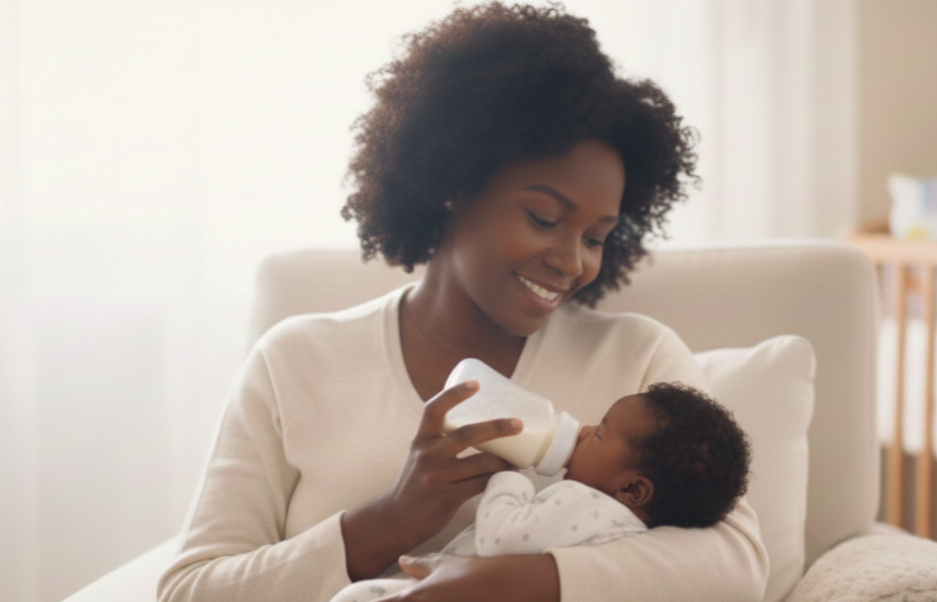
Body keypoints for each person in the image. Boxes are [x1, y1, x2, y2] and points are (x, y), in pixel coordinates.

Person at [158, 3, 768, 602]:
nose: (572, 260)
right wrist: (389, 520)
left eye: (595, 238)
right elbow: (189, 590)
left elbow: (737, 563)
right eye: (543, 216)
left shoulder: (636, 357)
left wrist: (515, 582)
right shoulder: (298, 361)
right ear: (454, 182)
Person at [331, 382, 753, 602]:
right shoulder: (630, 532)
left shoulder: (584, 503)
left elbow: (502, 538)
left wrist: (514, 473)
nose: (584, 430)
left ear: (632, 488)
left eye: (600, 434)